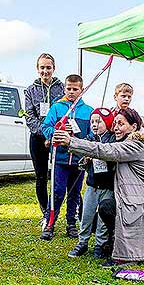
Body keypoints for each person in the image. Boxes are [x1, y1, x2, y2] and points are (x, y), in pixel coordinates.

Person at [53, 108, 144, 267]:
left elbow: (108, 150)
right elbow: (105, 152)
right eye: (115, 123)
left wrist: (71, 141)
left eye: (121, 124)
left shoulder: (136, 145)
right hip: (130, 198)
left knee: (108, 208)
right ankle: (112, 243)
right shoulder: (123, 142)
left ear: (133, 127)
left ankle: (129, 254)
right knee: (102, 210)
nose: (116, 127)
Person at [40, 74, 93, 240]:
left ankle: (71, 223)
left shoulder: (88, 111)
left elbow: (92, 133)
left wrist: (85, 142)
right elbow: (46, 126)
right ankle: (50, 223)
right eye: (68, 88)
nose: (71, 92)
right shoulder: (57, 108)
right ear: (64, 88)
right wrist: (54, 134)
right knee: (57, 191)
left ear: (81, 90)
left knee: (75, 193)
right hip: (60, 159)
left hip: (78, 160)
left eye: (75, 89)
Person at [68, 108, 115, 259]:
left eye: (99, 121)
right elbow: (82, 159)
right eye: (92, 121)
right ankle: (82, 242)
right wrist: (86, 161)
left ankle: (100, 245)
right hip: (92, 186)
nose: (95, 124)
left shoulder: (112, 141)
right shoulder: (90, 139)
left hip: (107, 187)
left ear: (107, 123)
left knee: (102, 219)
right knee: (86, 214)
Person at [24, 53, 64, 228]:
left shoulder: (63, 88)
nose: (45, 71)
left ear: (54, 68)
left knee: (60, 176)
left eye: (48, 67)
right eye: (42, 67)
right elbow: (29, 116)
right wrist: (45, 133)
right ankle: (45, 213)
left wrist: (54, 134)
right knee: (41, 177)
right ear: (37, 69)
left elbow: (65, 113)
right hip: (38, 138)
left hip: (58, 137)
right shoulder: (30, 90)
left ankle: (66, 212)